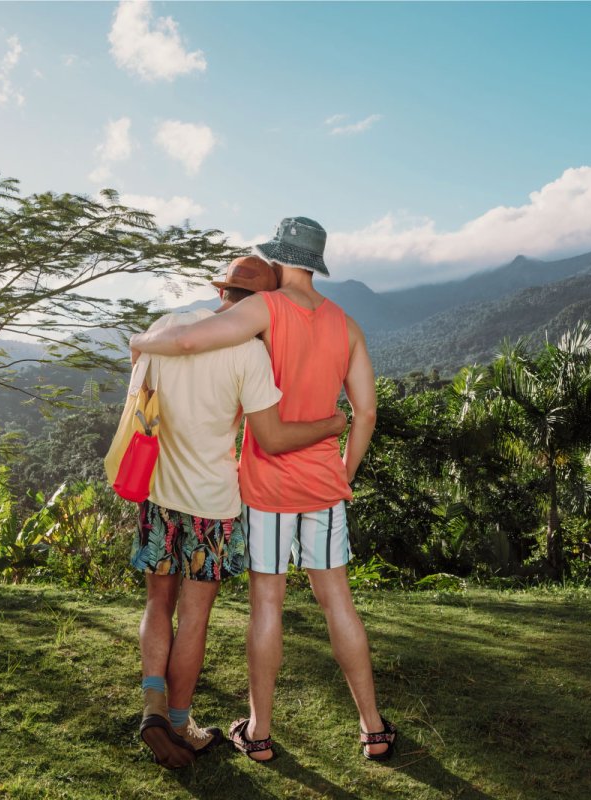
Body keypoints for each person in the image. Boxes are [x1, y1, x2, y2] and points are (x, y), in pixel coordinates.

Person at [130, 217, 397, 762]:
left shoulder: (264, 310)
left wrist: (138, 341)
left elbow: (181, 346)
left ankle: (258, 733)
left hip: (262, 487)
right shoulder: (346, 325)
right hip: (321, 484)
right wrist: (342, 470)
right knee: (338, 604)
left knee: (265, 606)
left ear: (278, 259)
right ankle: (372, 728)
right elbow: (365, 410)